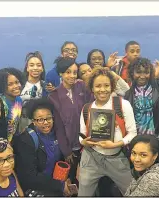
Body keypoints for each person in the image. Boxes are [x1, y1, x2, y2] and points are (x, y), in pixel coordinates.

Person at [78, 67, 137, 196]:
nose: (102, 89)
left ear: (112, 86)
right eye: (98, 86)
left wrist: (116, 144)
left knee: (132, 193)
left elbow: (133, 133)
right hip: (91, 158)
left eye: (106, 85)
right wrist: (84, 142)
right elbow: (81, 136)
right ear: (92, 88)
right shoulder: (87, 109)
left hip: (117, 157)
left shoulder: (123, 105)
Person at [13, 98, 72, 196]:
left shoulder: (58, 134)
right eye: (40, 119)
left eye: (48, 118)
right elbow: (29, 177)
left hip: (56, 184)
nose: (45, 122)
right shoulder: (26, 140)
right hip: (39, 188)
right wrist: (60, 185)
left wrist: (66, 178)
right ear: (33, 121)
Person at [48, 57, 92, 186]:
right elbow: (59, 127)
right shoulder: (54, 96)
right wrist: (66, 151)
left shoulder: (82, 87)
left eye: (75, 72)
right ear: (60, 73)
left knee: (86, 179)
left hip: (87, 142)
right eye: (68, 72)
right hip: (70, 146)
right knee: (70, 180)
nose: (72, 76)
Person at [124, 57, 159, 149]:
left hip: (157, 139)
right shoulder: (128, 94)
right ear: (132, 73)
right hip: (136, 140)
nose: (142, 76)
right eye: (138, 72)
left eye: (146, 72)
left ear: (150, 73)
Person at [0, 67, 24, 143]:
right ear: (2, 87)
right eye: (10, 84)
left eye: (17, 82)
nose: (15, 86)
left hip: (12, 142)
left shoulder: (19, 100)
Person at [19, 51, 47, 132]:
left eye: (38, 65)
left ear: (42, 69)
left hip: (39, 125)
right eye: (31, 65)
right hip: (21, 124)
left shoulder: (45, 87)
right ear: (27, 68)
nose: (35, 68)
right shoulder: (20, 85)